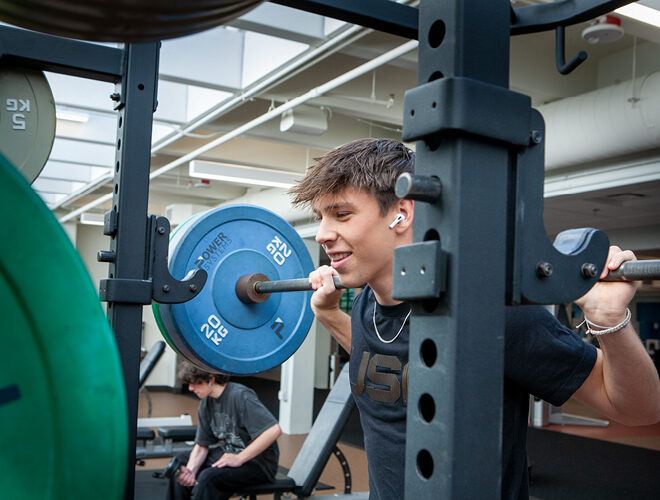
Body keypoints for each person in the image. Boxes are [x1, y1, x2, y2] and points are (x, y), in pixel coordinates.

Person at [288, 138, 660, 500]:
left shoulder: (495, 314)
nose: (322, 234)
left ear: (402, 212)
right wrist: (330, 314)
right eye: (320, 217)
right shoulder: (369, 301)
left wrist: (612, 321)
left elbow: (639, 409)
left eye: (341, 214)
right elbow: (394, 364)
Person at [166, 363, 281, 500]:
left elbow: (274, 430)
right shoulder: (206, 404)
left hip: (258, 464)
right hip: (230, 452)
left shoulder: (240, 395)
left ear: (211, 379)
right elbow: (202, 445)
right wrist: (191, 471)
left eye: (195, 383)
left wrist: (239, 458)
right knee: (180, 462)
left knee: (209, 477)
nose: (190, 388)